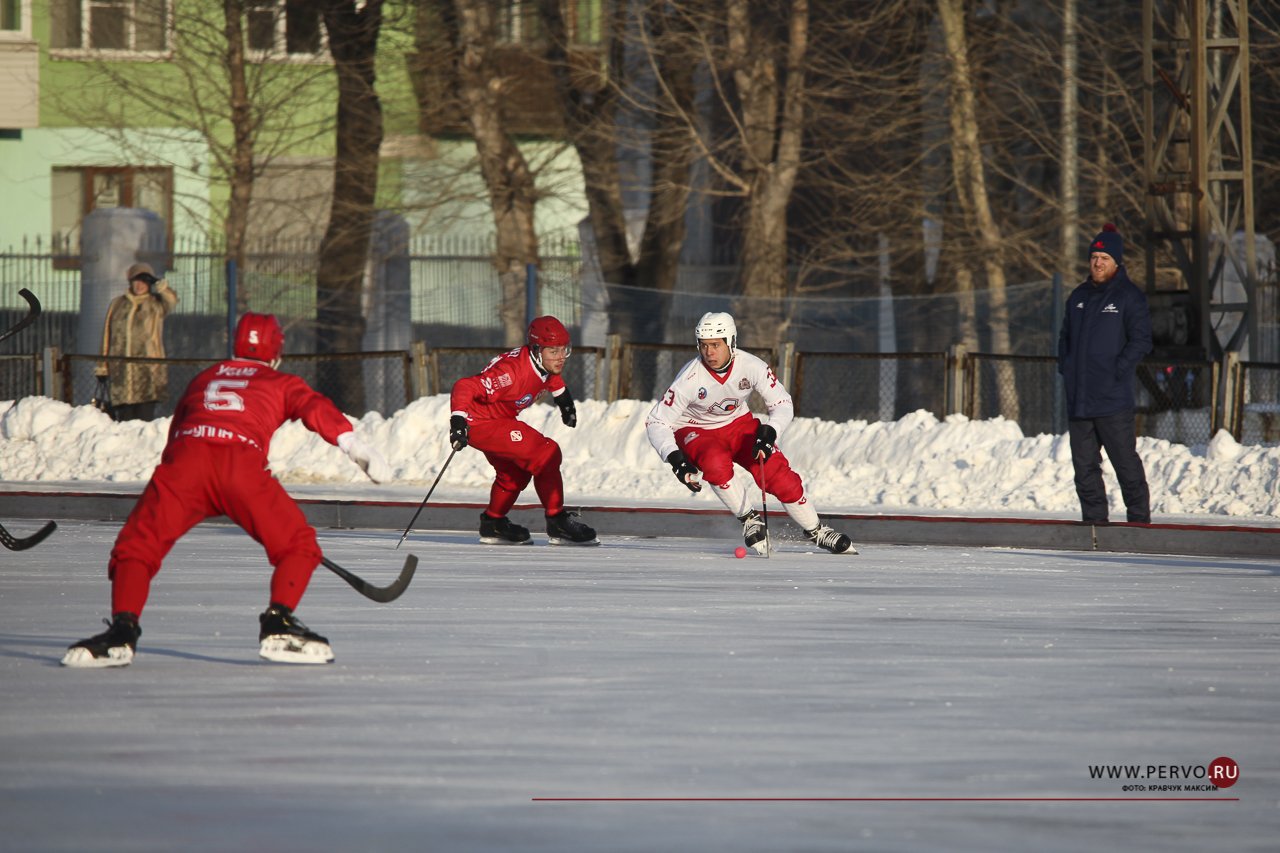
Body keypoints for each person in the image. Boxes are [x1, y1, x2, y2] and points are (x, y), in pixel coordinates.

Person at [62, 313, 392, 668]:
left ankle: (122, 632)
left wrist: (181, 483)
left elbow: (178, 430)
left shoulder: (204, 378)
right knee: (297, 545)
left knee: (137, 547)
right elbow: (314, 408)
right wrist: (354, 445)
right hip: (240, 465)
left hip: (185, 464)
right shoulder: (280, 380)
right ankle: (278, 623)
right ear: (275, 350)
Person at [645, 311, 855, 555]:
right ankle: (749, 519)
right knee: (714, 463)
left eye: (715, 345)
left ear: (731, 342)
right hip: (695, 428)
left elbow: (782, 403)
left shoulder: (752, 365)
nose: (709, 353)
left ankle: (817, 531)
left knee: (778, 475)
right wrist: (675, 459)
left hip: (738, 424)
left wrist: (771, 431)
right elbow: (657, 421)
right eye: (703, 346)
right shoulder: (689, 379)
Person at [448, 315, 597, 545]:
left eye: (564, 350)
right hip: (480, 422)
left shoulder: (542, 363)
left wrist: (564, 400)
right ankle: (557, 520)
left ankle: (493, 523)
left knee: (514, 475)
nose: (561, 358)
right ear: (537, 350)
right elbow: (464, 386)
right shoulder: (510, 374)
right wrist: (458, 422)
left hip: (498, 418)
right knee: (546, 453)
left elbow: (551, 378)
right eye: (553, 351)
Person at [1058, 223, 1153, 524]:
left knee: (1125, 464)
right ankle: (1094, 525)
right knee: (1084, 468)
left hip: (1112, 400)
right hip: (1080, 401)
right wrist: (1067, 366)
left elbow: (1141, 340)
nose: (1098, 263)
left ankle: (1139, 523)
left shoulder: (1129, 297)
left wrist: (1118, 370)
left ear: (1116, 262)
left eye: (1104, 259)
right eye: (1094, 257)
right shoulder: (1078, 297)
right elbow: (1064, 338)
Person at [95, 262, 179, 421]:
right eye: (136, 280)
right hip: (121, 371)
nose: (140, 285)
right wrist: (102, 366)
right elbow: (107, 335)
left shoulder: (156, 304)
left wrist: (159, 284)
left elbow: (172, 301)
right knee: (124, 420)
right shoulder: (118, 304)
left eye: (144, 281)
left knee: (144, 418)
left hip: (147, 372)